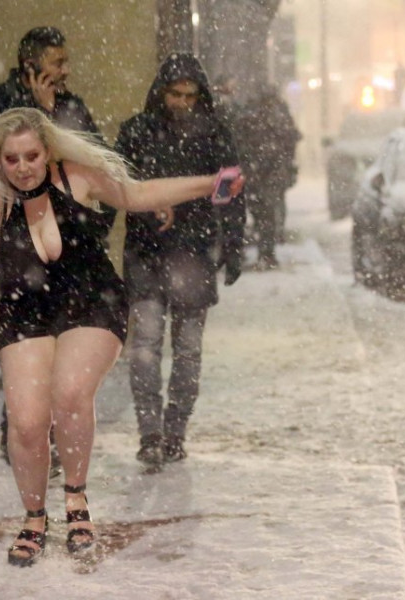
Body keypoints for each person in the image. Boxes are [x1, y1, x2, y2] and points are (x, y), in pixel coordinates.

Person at [0, 107, 242, 567]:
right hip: (26, 310)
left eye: (31, 156)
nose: (23, 167)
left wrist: (209, 183)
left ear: (47, 151)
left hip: (92, 299)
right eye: (12, 159)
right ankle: (34, 517)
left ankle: (76, 499)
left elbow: (137, 194)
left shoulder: (75, 176)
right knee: (27, 422)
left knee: (70, 392)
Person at [0, 26, 115, 465]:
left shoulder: (72, 107)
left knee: (64, 336)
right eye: (58, 61)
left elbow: (95, 162)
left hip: (67, 241)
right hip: (18, 241)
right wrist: (37, 111)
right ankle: (21, 428)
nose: (65, 70)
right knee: (25, 334)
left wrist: (94, 224)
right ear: (31, 64)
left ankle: (49, 431)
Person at [115, 53, 246, 466]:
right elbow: (118, 185)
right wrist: (147, 210)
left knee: (187, 350)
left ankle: (174, 432)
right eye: (176, 94)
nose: (183, 103)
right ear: (161, 93)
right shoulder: (136, 132)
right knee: (146, 345)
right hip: (148, 250)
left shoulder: (214, 134)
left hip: (194, 251)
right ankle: (150, 432)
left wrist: (234, 243)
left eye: (190, 96)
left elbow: (231, 192)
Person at [234, 85, 300, 269]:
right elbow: (291, 139)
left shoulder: (251, 115)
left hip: (258, 172)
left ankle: (264, 252)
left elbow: (239, 142)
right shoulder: (277, 116)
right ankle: (267, 253)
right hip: (266, 172)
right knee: (267, 213)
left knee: (260, 212)